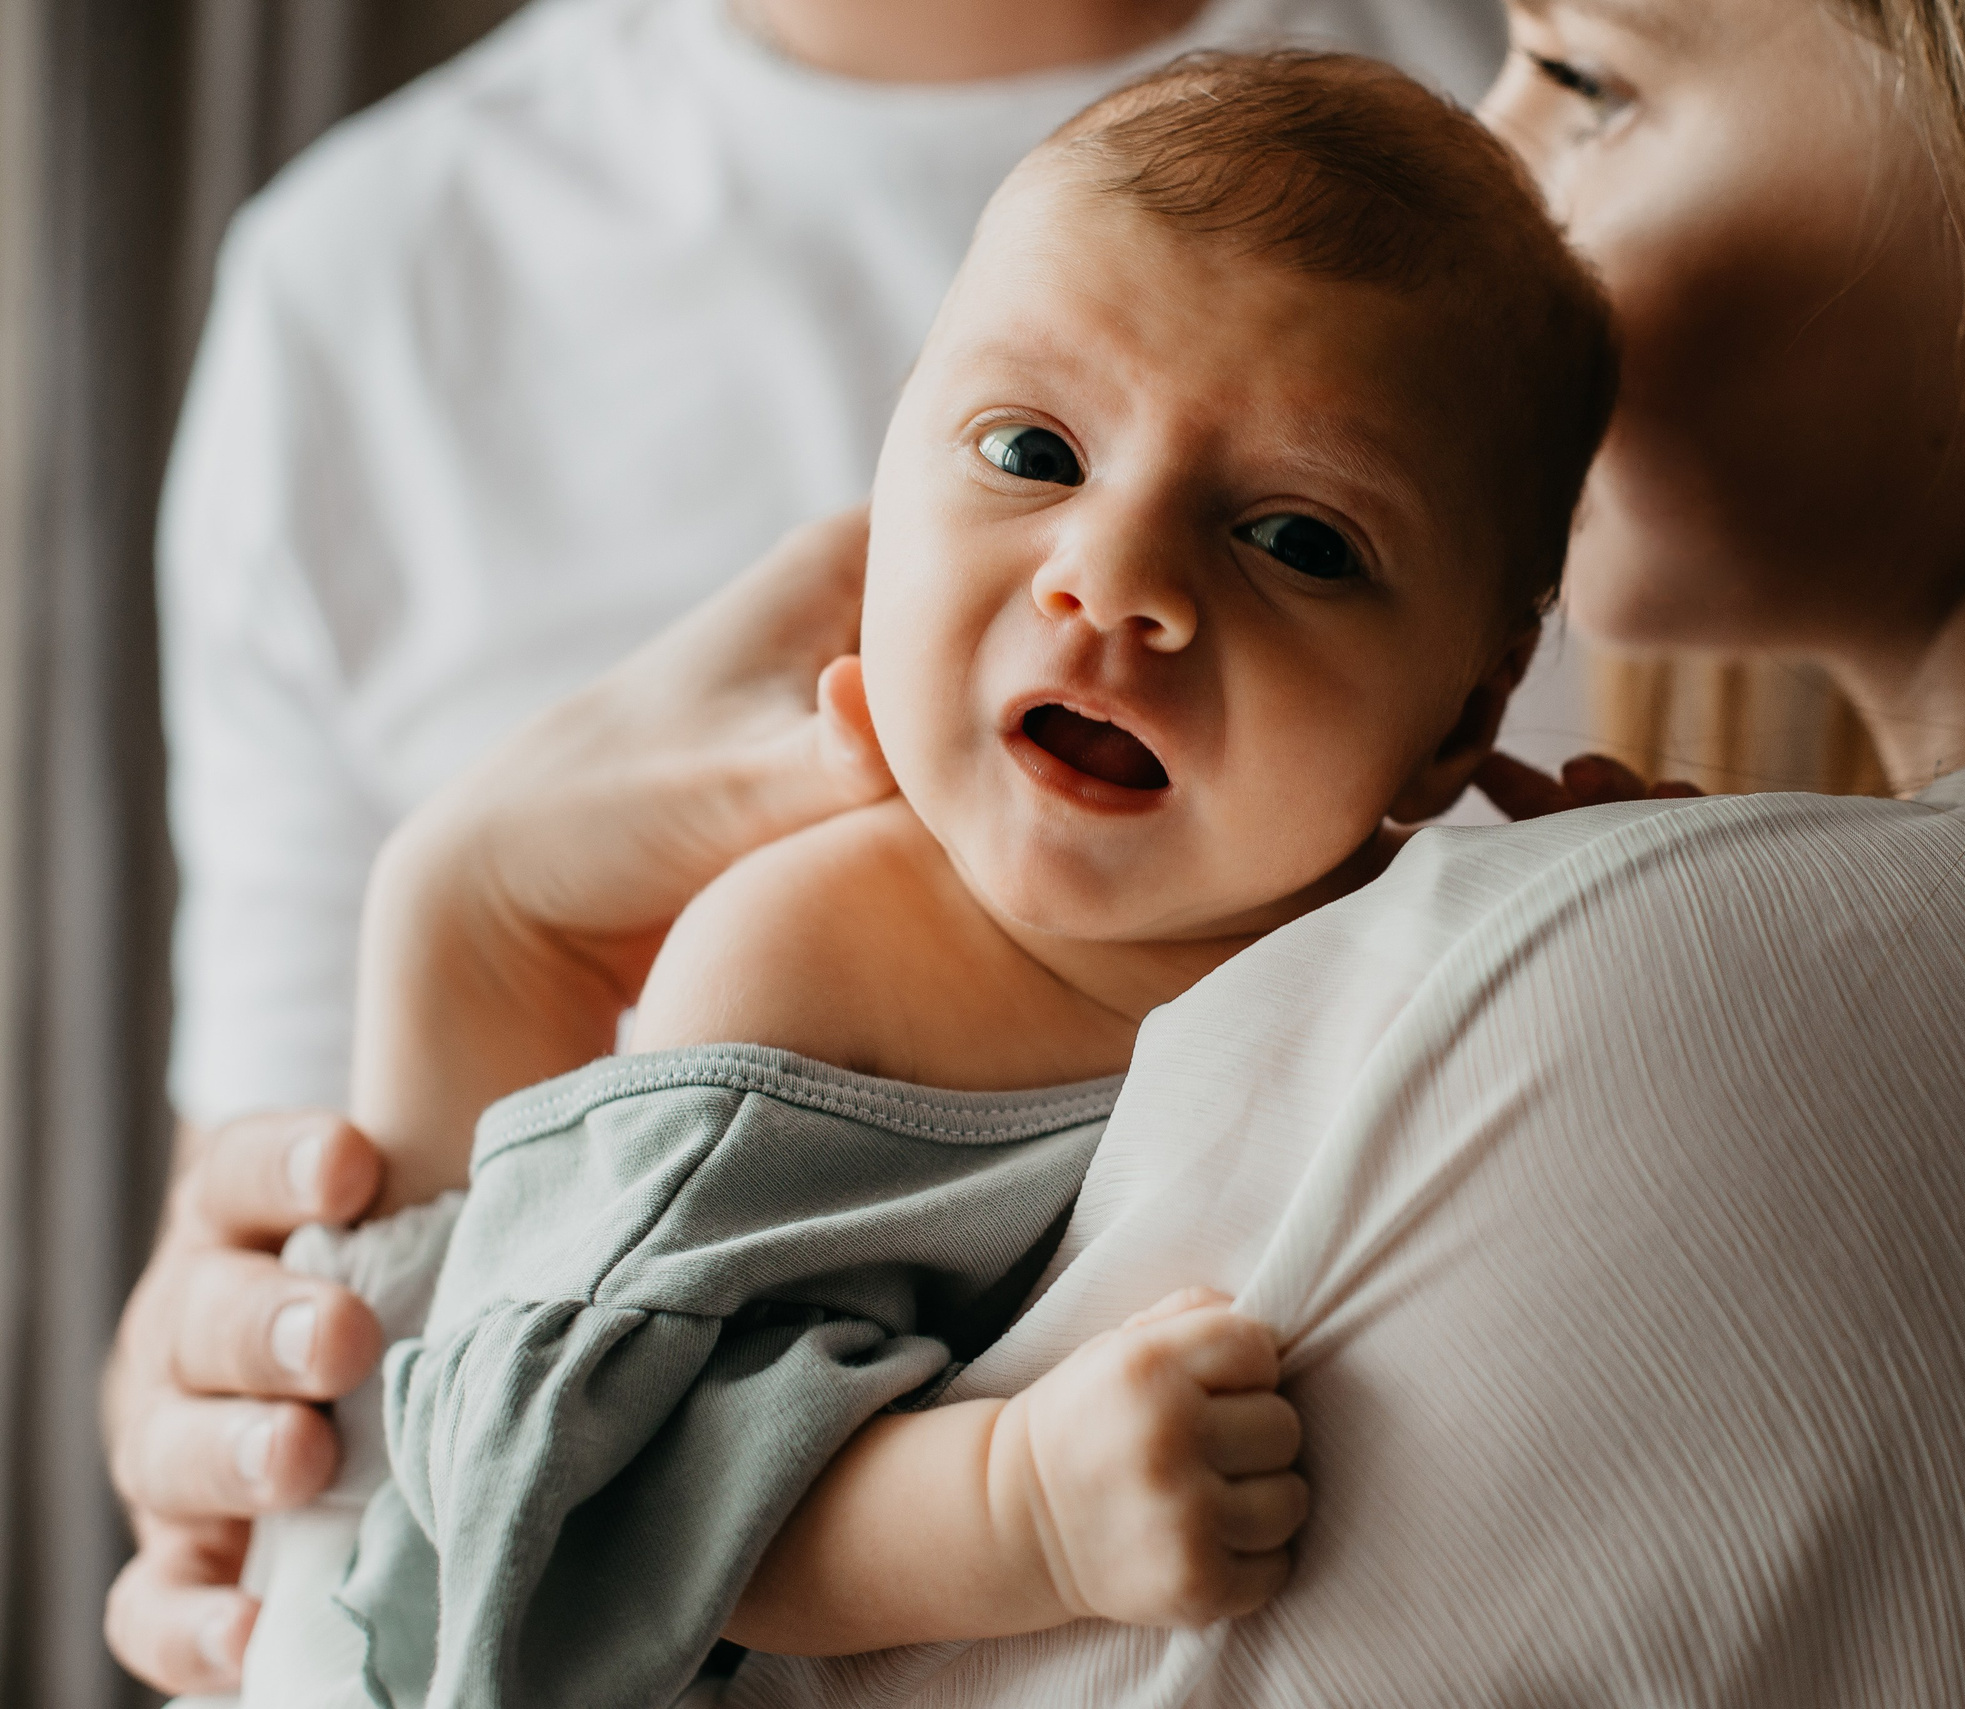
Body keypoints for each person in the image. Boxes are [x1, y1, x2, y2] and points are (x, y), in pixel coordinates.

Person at [119, 0, 1965, 1698]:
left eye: (1584, 75)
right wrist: (376, 1251)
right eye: (1022, 457)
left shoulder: (1655, 988)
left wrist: (457, 986)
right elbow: (555, 1520)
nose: (1120, 582)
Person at [120, 0, 1505, 1692]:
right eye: (1029, 455)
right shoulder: (817, 963)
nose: (1116, 573)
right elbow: (588, 1494)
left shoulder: (1542, 117)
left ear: (1460, 719)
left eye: (1297, 538)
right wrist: (1016, 1506)